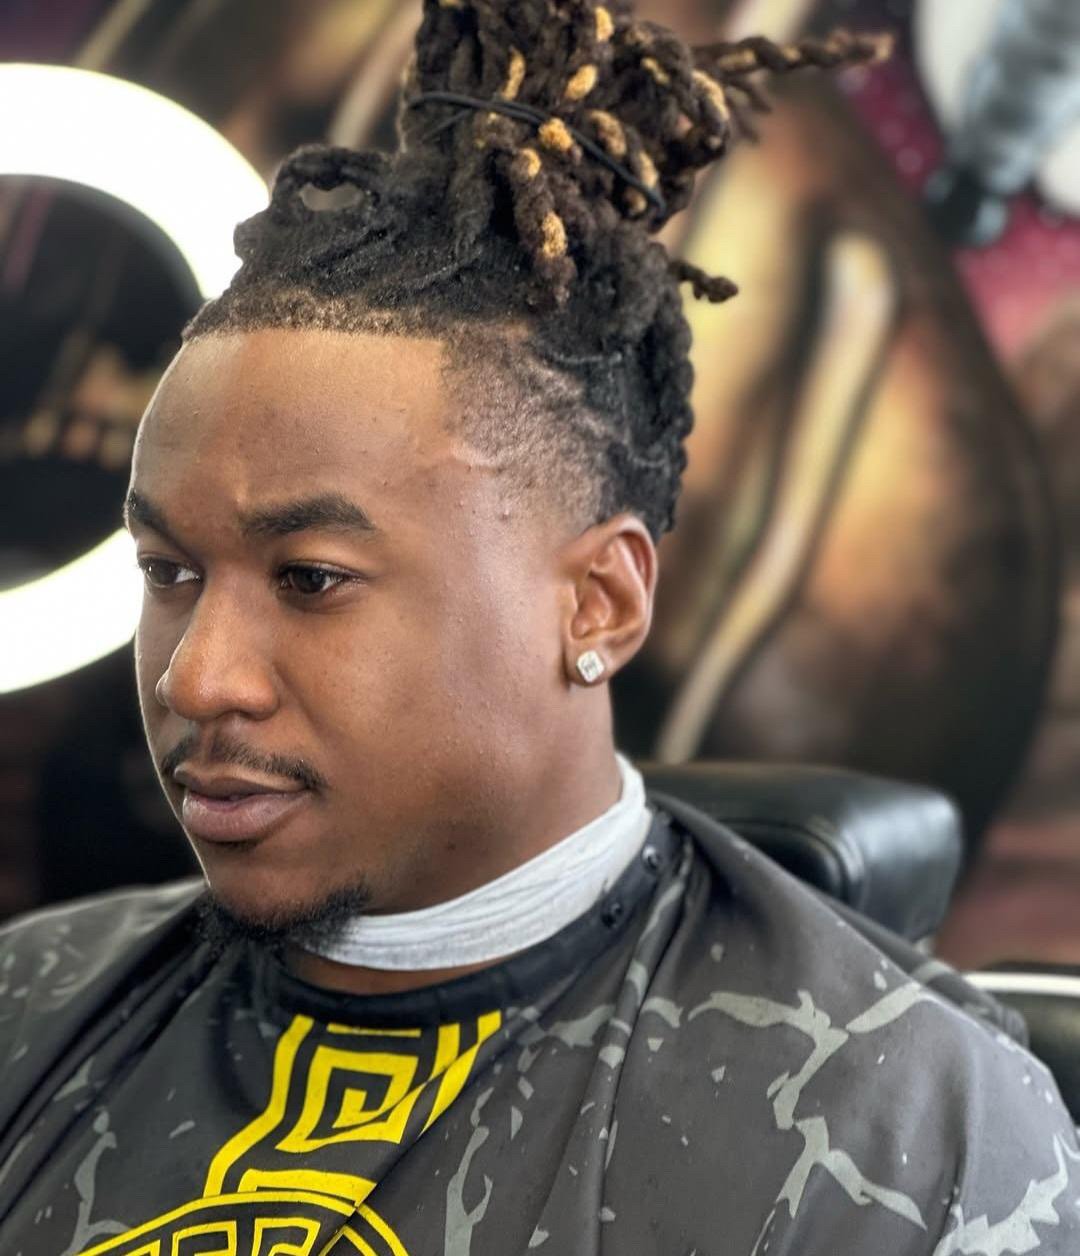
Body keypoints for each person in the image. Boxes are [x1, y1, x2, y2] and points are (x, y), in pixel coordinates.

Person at [2, 3, 1078, 1253]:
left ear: (599, 604)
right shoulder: (29, 1006)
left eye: (310, 578)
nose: (200, 677)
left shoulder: (891, 1132)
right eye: (169, 570)